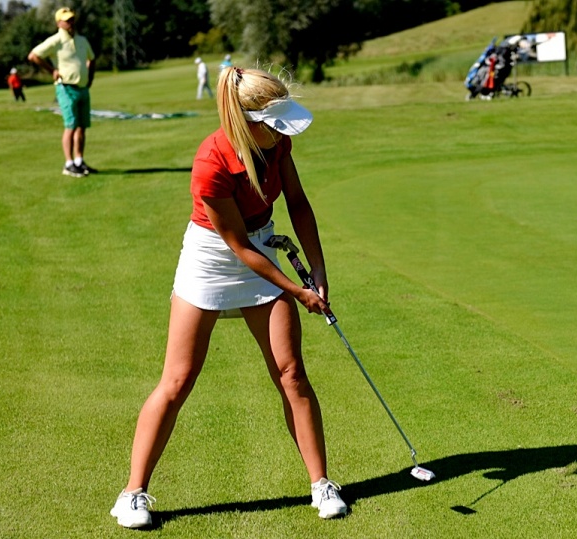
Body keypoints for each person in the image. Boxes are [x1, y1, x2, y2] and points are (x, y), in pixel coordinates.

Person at [109, 66, 348, 529]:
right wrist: (297, 290)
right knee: (178, 380)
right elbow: (237, 245)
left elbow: (297, 203)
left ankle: (321, 483)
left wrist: (318, 270)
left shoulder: (278, 145)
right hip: (211, 258)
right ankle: (132, 493)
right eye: (273, 127)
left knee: (291, 372)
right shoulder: (211, 164)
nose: (281, 136)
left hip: (263, 244)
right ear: (246, 122)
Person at [28, 7, 97, 178]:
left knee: (82, 127)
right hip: (66, 87)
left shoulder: (81, 40)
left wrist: (90, 78)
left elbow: (92, 59)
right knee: (71, 126)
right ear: (59, 23)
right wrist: (52, 70)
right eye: (67, 20)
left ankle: (79, 161)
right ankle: (69, 164)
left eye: (72, 19)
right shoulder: (56, 40)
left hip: (82, 88)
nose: (70, 23)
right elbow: (34, 56)